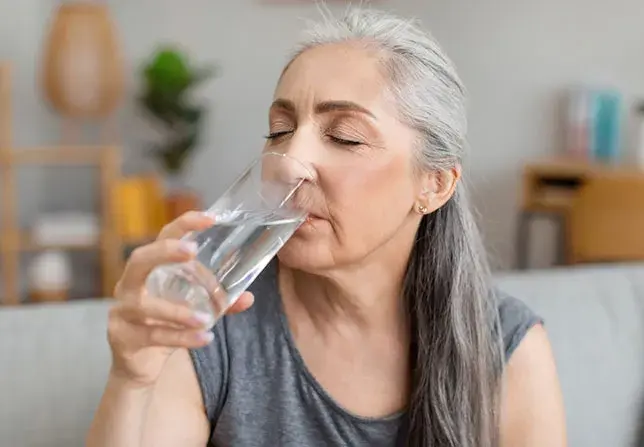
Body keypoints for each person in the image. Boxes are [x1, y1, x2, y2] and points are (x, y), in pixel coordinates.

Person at [87, 7, 566, 447]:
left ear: (434, 184)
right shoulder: (209, 323)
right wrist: (133, 379)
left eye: (344, 137)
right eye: (279, 130)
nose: (290, 160)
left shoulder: (507, 348)